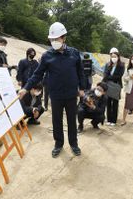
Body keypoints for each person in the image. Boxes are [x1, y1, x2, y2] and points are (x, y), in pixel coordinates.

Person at [18, 22, 85, 158]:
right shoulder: (47, 56)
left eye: (57, 39)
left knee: (72, 120)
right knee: (57, 120)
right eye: (52, 39)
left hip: (72, 94)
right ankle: (58, 144)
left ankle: (74, 144)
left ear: (64, 38)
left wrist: (82, 88)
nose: (54, 41)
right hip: (55, 94)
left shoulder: (74, 53)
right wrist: (26, 88)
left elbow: (81, 72)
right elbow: (37, 74)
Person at [102, 51, 125, 126]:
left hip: (116, 85)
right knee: (108, 103)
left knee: (115, 103)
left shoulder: (121, 65)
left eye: (115, 56)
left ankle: (114, 120)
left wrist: (109, 77)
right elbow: (105, 74)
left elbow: (119, 76)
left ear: (118, 57)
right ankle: (108, 119)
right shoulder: (108, 64)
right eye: (112, 56)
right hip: (108, 85)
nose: (113, 58)